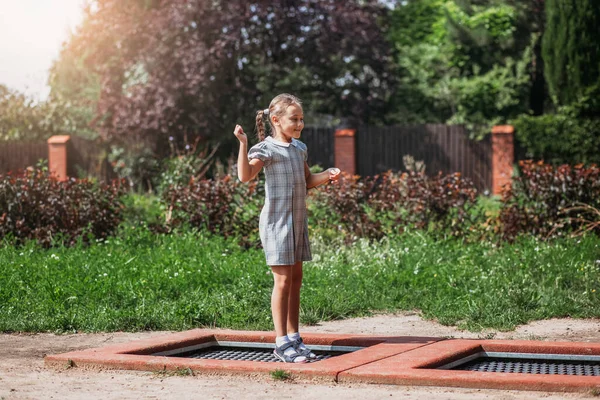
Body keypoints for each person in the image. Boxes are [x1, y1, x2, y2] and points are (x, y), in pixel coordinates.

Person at [234, 93, 341, 363]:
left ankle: (294, 337)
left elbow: (308, 180)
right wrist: (243, 144)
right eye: (294, 119)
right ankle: (280, 342)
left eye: (302, 119)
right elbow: (245, 176)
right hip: (276, 223)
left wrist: (328, 175)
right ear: (276, 120)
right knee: (281, 281)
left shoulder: (299, 148)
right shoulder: (266, 149)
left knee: (295, 281)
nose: (299, 124)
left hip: (297, 221)